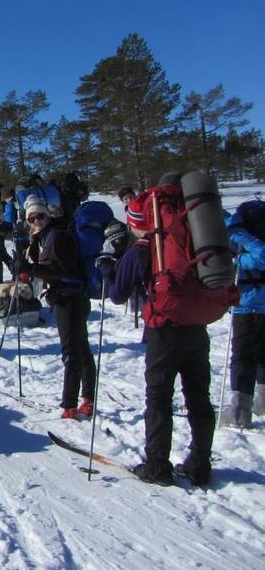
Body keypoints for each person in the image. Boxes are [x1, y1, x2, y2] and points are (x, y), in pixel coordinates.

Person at [101, 193, 215, 486]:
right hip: (197, 325)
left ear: (138, 222)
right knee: (200, 398)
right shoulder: (191, 239)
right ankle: (200, 464)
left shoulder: (141, 248)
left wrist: (107, 268)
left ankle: (157, 465)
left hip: (163, 329)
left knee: (159, 398)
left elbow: (117, 294)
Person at [18, 195, 95, 420]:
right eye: (32, 218)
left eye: (40, 216)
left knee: (72, 352)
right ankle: (87, 399)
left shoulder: (57, 237)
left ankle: (70, 406)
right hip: (71, 298)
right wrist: (30, 246)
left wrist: (31, 269)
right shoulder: (47, 236)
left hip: (70, 300)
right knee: (80, 348)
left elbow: (58, 271)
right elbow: (43, 264)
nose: (36, 221)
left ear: (48, 215)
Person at [220, 202, 265, 428]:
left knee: (243, 359)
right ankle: (261, 402)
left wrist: (238, 259)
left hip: (248, 306)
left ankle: (239, 413)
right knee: (260, 356)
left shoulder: (245, 238)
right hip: (256, 305)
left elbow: (262, 255)